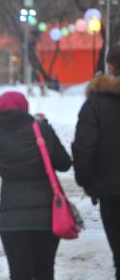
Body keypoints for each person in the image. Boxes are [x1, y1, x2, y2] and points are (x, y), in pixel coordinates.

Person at [0, 91, 71, 280]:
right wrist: (46, 127)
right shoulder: (41, 130)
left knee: (19, 274)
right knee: (45, 272)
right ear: (25, 108)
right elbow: (64, 163)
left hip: (12, 219)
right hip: (47, 217)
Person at [72, 43, 120, 280]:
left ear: (110, 66)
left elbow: (84, 147)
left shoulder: (96, 104)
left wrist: (86, 181)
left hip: (110, 192)